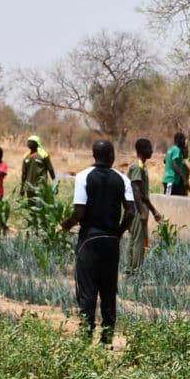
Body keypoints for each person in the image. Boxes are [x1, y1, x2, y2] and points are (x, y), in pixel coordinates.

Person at [60, 140, 135, 344]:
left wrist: (63, 226)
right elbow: (130, 212)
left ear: (94, 155)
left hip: (89, 240)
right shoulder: (122, 179)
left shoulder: (83, 177)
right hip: (111, 241)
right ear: (111, 155)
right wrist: (117, 233)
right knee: (108, 289)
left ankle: (86, 336)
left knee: (87, 290)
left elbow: (79, 212)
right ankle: (107, 339)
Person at [123, 138, 162, 275]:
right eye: (149, 148)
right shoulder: (137, 167)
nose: (151, 151)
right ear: (142, 150)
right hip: (137, 207)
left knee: (134, 238)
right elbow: (136, 189)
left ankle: (130, 269)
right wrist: (142, 210)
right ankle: (135, 270)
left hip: (139, 206)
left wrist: (152, 210)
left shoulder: (141, 166)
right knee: (138, 240)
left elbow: (142, 192)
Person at [18, 135, 56, 203]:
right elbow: (24, 173)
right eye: (28, 141)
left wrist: (55, 184)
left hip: (40, 186)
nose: (29, 143)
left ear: (37, 143)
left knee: (40, 206)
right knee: (31, 206)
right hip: (29, 187)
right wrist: (22, 187)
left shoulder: (43, 155)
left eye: (31, 142)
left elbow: (50, 170)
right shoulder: (26, 156)